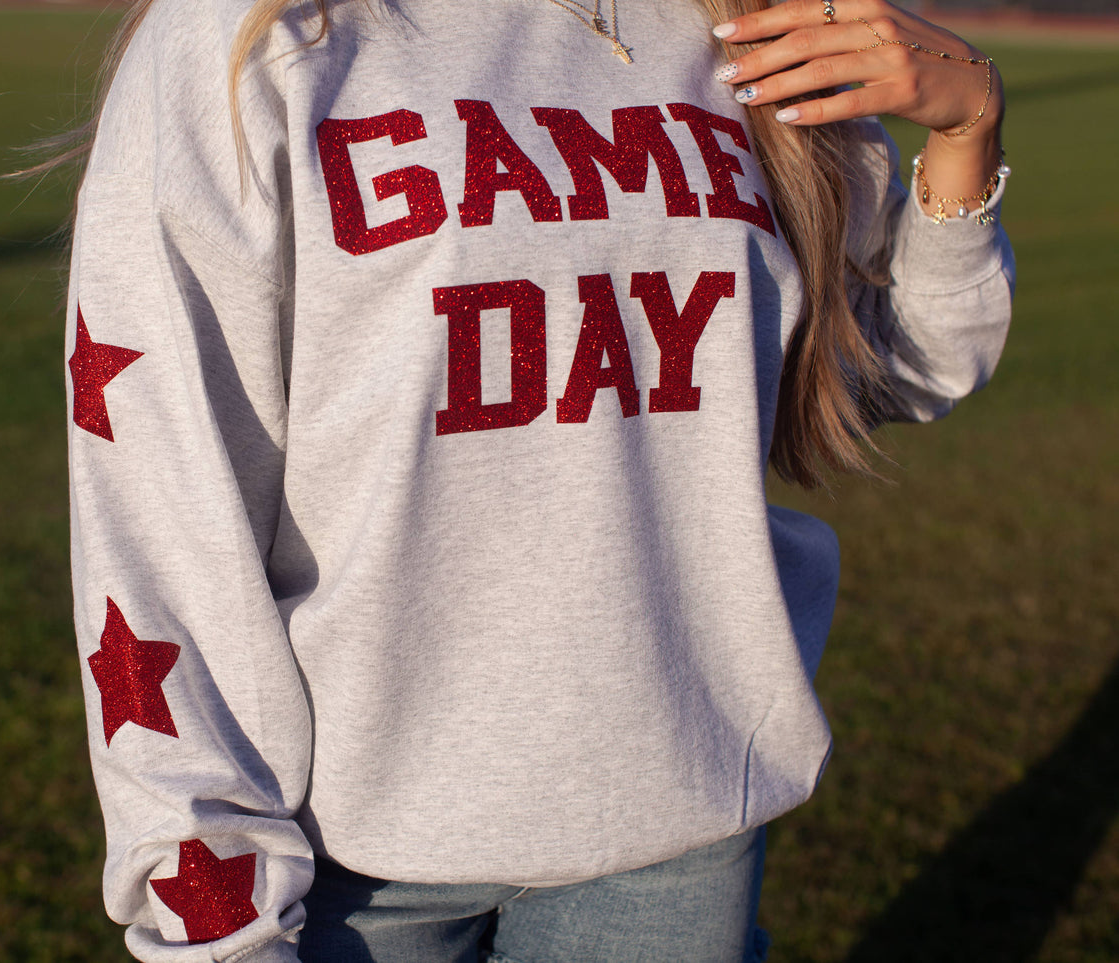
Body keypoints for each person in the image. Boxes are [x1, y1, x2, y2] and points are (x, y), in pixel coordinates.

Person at [58, 0, 1013, 958]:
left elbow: (885, 367)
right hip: (346, 860)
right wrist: (214, 908)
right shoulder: (251, 35)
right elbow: (162, 501)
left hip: (679, 828)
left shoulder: (751, 24)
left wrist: (966, 128)